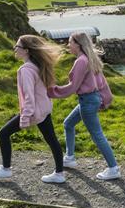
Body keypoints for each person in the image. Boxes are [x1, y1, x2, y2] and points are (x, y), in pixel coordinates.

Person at [47, 32, 120, 180]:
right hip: (91, 99)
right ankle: (70, 158)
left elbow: (73, 87)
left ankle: (113, 168)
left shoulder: (81, 61)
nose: (68, 45)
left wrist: (51, 91)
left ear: (78, 44)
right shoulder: (90, 58)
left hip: (88, 101)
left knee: (97, 135)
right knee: (68, 124)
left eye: (70, 42)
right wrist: (105, 98)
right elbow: (102, 82)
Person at [0, 35, 65, 183]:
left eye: (17, 46)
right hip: (44, 109)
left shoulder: (26, 70)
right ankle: (59, 174)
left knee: (3, 134)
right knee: (52, 140)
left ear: (26, 50)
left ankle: (5, 169)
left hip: (34, 111)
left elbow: (29, 96)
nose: (15, 48)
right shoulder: (37, 65)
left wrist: (25, 117)